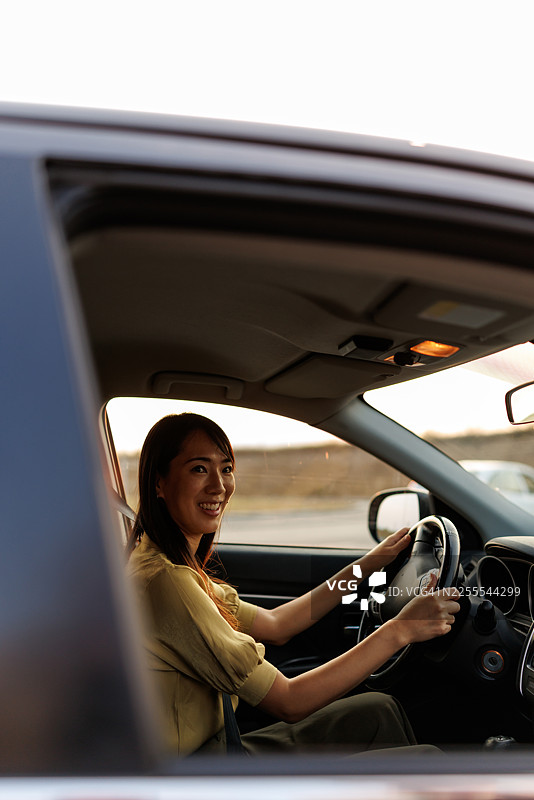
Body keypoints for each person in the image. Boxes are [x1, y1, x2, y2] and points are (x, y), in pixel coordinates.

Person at [127, 413, 460, 757]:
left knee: (379, 708)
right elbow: (290, 702)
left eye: (226, 469)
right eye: (199, 469)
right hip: (196, 775)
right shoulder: (168, 581)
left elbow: (277, 626)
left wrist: (365, 566)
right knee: (427, 758)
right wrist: (400, 629)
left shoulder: (172, 566)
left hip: (219, 746)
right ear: (159, 483)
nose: (219, 486)